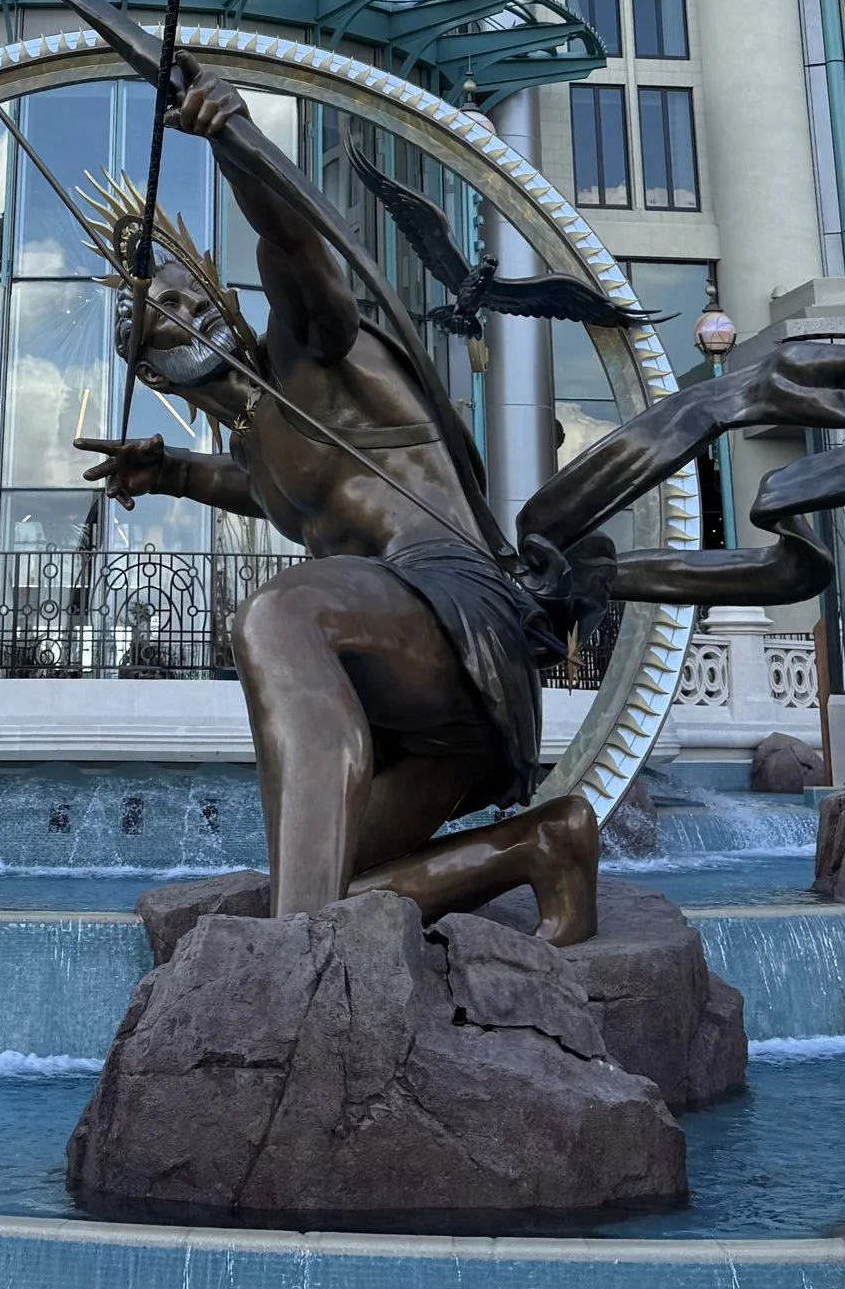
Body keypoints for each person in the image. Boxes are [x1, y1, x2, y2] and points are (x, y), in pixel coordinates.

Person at [77, 54, 605, 943]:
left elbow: (296, 252)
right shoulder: (259, 440)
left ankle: (292, 964)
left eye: (180, 287)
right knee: (327, 866)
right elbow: (249, 485)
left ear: (215, 286)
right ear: (146, 364)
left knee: (278, 618)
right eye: (147, 313)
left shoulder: (310, 354)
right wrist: (166, 469)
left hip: (457, 601)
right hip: (432, 722)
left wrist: (239, 143)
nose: (171, 307)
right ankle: (543, 844)